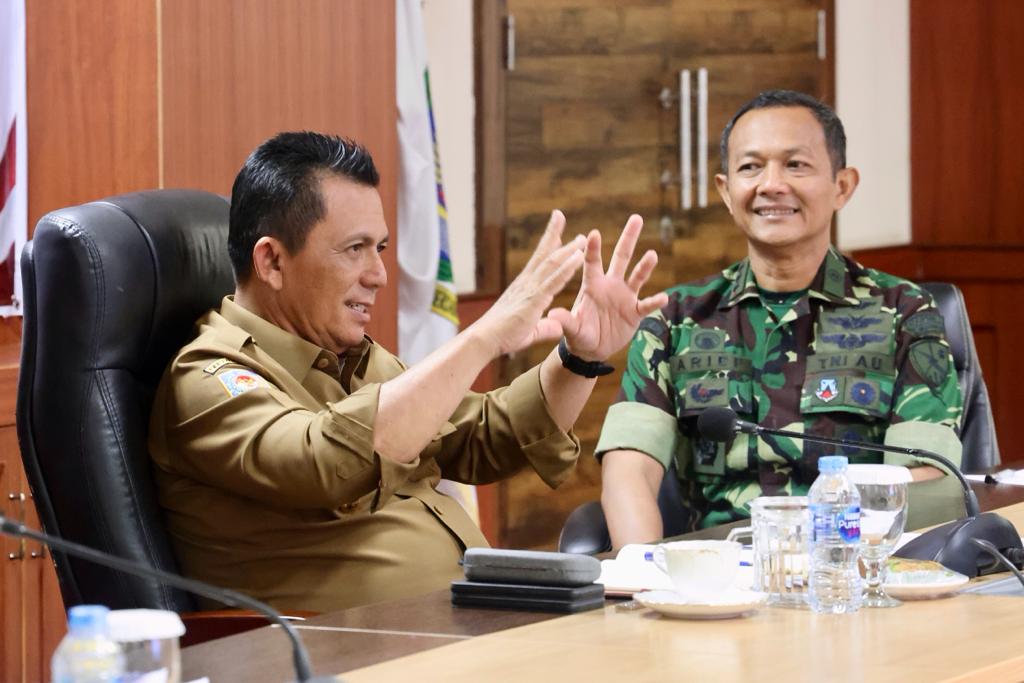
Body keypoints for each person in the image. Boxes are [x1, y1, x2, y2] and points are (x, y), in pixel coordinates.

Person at [148, 131, 668, 612]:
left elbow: (485, 436)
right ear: (272, 263)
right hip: (340, 655)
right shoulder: (207, 377)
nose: (378, 275)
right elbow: (326, 463)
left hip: (463, 628)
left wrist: (578, 357)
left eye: (379, 249)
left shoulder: (354, 357)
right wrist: (482, 337)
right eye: (354, 249)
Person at [597, 90, 963, 549]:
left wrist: (826, 555)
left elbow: (927, 478)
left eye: (795, 165)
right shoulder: (675, 318)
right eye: (751, 167)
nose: (771, 184)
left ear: (842, 186)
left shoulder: (904, 312)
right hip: (716, 570)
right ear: (725, 191)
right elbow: (628, 471)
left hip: (852, 563)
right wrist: (643, 571)